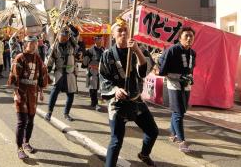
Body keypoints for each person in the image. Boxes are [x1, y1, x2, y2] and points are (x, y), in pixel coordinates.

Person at [99, 17, 158, 167]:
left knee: (153, 131)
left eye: (126, 30)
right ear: (113, 35)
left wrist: (137, 51)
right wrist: (115, 89)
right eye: (120, 30)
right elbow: (104, 77)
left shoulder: (139, 49)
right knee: (116, 141)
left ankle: (144, 154)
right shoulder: (107, 55)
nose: (123, 33)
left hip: (135, 99)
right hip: (117, 102)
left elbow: (144, 72)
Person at [8, 35, 50, 159]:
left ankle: (26, 142)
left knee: (31, 121)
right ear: (25, 44)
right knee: (22, 121)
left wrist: (41, 91)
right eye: (31, 43)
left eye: (35, 43)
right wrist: (16, 93)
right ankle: (19, 148)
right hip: (21, 92)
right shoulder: (19, 58)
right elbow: (15, 76)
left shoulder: (37, 58)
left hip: (33, 93)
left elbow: (42, 74)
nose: (34, 45)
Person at [158, 26, 196, 153]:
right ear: (180, 38)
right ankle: (182, 141)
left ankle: (172, 133)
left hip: (186, 84)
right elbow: (163, 70)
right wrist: (176, 76)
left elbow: (191, 69)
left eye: (191, 36)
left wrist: (190, 78)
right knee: (179, 113)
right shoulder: (173, 50)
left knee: (180, 111)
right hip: (174, 84)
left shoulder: (193, 52)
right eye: (186, 36)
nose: (189, 38)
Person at [44, 23, 79, 122]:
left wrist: (69, 24)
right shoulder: (54, 46)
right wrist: (47, 71)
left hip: (70, 72)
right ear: (58, 35)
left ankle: (66, 113)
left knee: (70, 94)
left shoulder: (72, 43)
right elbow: (49, 60)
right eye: (61, 35)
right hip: (59, 72)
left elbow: (76, 33)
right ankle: (49, 113)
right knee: (54, 92)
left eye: (65, 36)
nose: (63, 37)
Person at [82, 35, 104, 111]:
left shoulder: (103, 50)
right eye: (98, 39)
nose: (100, 41)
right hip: (92, 72)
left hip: (100, 72)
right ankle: (95, 103)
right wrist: (91, 65)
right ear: (95, 40)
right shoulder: (90, 51)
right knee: (93, 88)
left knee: (97, 88)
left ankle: (94, 102)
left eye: (101, 39)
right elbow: (84, 63)